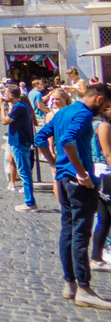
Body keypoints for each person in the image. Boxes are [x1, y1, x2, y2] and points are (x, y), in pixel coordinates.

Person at [47, 83, 111, 309]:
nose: (105, 111)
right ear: (99, 99)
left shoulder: (64, 111)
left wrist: (57, 166)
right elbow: (67, 140)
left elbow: (41, 138)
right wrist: (81, 172)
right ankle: (84, 288)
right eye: (106, 106)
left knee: (67, 231)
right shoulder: (83, 114)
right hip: (79, 182)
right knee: (81, 234)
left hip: (64, 180)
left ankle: (70, 284)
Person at [1, 85, 38, 212]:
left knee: (24, 173)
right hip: (22, 141)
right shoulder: (23, 105)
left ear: (10, 96)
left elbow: (5, 121)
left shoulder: (18, 107)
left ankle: (30, 202)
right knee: (24, 171)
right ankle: (29, 200)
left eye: (5, 94)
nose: (4, 96)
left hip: (19, 142)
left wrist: (1, 107)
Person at [89, 110, 111, 274]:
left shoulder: (90, 124)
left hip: (95, 171)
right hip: (105, 172)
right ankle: (101, 254)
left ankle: (97, 256)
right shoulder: (103, 125)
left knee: (103, 218)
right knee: (105, 217)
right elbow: (108, 154)